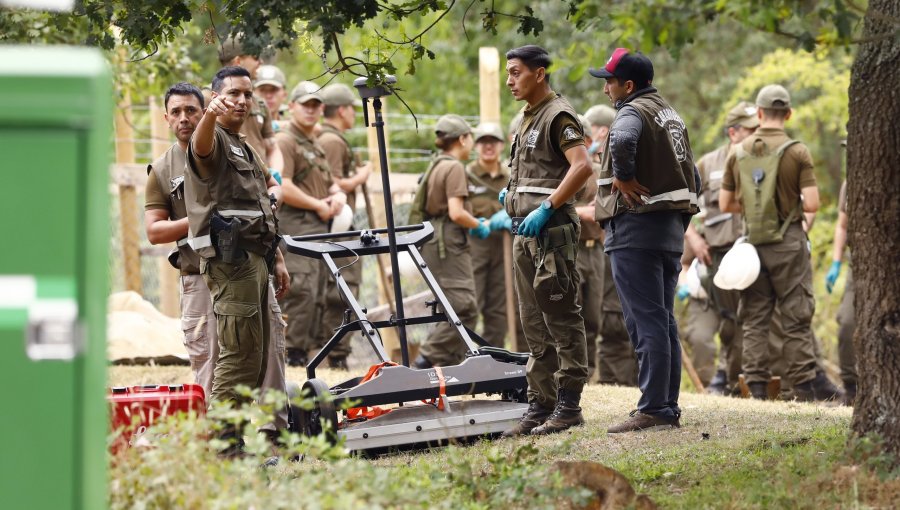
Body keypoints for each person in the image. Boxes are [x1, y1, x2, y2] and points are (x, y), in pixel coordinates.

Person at [145, 81, 291, 440]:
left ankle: (275, 433)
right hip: (199, 272)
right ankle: (219, 437)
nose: (184, 118)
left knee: (266, 350)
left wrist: (278, 257)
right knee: (213, 357)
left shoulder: (231, 147)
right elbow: (154, 231)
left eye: (191, 110)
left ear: (204, 109)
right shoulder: (164, 169)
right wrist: (201, 218)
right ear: (166, 118)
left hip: (244, 264)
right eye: (176, 112)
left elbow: (257, 205)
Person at [590, 48, 700, 433]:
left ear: (628, 85)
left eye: (609, 82)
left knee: (645, 322)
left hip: (635, 229)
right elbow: (694, 175)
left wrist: (622, 177)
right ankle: (666, 406)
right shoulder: (671, 114)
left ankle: (654, 407)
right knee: (664, 321)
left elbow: (621, 139)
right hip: (668, 230)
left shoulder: (632, 112)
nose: (606, 90)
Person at [183, 67, 284, 453]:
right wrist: (208, 113)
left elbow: (267, 195)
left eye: (247, 94)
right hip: (231, 260)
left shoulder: (244, 145)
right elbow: (202, 146)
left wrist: (278, 259)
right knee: (238, 353)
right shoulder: (213, 139)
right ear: (215, 96)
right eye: (233, 94)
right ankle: (222, 445)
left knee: (254, 358)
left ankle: (232, 440)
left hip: (255, 259)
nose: (242, 100)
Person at [500, 45, 593, 436]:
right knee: (532, 321)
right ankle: (541, 402)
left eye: (517, 73)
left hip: (551, 230)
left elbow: (583, 166)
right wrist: (512, 195)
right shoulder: (525, 117)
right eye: (507, 73)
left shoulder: (558, 115)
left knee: (560, 313)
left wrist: (547, 205)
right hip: (525, 231)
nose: (510, 81)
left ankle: (569, 404)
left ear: (539, 74)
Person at [719, 84, 833, 401]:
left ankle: (755, 386)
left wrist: (758, 208)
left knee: (755, 317)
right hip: (788, 242)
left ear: (759, 114)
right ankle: (805, 384)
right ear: (788, 113)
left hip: (752, 243)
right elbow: (811, 204)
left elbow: (725, 203)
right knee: (795, 316)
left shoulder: (737, 151)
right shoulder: (797, 151)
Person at [679, 101, 760, 393]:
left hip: (752, 257)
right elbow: (683, 204)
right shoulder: (708, 164)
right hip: (717, 256)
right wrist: (694, 238)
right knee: (721, 325)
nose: (757, 135)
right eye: (751, 130)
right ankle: (719, 381)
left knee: (745, 324)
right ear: (733, 132)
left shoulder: (764, 160)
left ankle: (735, 380)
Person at [274, 81, 348, 367]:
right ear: (291, 106)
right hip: (295, 228)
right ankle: (290, 354)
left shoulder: (314, 143)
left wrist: (337, 195)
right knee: (299, 290)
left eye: (316, 105)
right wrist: (318, 204)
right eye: (305, 104)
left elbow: (329, 183)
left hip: (316, 230)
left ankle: (303, 353)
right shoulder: (286, 141)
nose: (311, 110)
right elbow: (285, 186)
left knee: (316, 292)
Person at [410, 115, 490, 368]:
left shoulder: (437, 164)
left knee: (451, 308)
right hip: (448, 243)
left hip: (435, 239)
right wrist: (480, 225)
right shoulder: (454, 167)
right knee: (464, 308)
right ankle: (426, 360)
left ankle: (448, 369)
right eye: (471, 139)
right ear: (463, 139)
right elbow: (456, 212)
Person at [315, 83, 372, 368]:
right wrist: (360, 177)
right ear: (342, 110)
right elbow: (334, 185)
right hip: (336, 228)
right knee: (342, 288)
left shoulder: (331, 138)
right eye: (351, 107)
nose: (354, 113)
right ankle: (335, 356)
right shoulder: (333, 141)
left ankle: (336, 354)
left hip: (339, 225)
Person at [582, 104, 638, 387]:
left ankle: (627, 385)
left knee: (625, 320)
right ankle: (612, 383)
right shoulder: (588, 168)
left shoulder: (619, 160)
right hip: (603, 251)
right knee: (612, 321)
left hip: (620, 247)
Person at [465, 121, 513, 346]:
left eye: (492, 141)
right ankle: (464, 356)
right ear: (475, 146)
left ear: (502, 145)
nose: (488, 147)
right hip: (474, 249)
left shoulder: (510, 176)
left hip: (504, 249)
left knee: (499, 309)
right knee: (471, 303)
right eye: (483, 142)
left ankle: (493, 358)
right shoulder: (467, 176)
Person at [218, 37, 284, 176]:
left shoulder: (259, 103)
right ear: (238, 62)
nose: (260, 62)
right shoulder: (208, 100)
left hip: (262, 185)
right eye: (255, 57)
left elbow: (272, 147)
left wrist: (275, 173)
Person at [573, 114, 604, 381]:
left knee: (594, 316)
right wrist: (581, 211)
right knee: (573, 314)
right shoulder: (564, 172)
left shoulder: (603, 171)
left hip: (597, 250)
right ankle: (573, 372)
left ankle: (590, 373)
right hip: (571, 248)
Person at [826, 178, 857, 404]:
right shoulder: (851, 181)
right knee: (847, 322)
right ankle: (851, 389)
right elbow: (843, 224)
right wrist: (836, 262)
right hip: (859, 266)